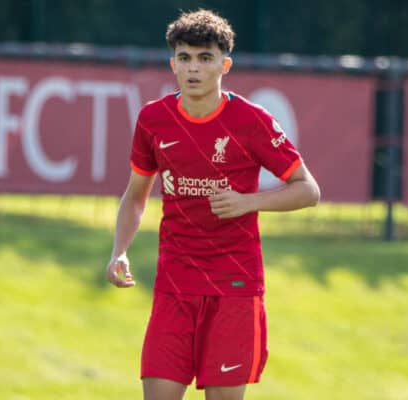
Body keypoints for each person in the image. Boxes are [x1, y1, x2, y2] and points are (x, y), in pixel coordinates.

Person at [106, 9, 320, 400]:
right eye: (185, 58)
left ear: (225, 64)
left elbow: (308, 190)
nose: (194, 68)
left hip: (234, 288)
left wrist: (247, 202)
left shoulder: (251, 121)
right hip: (174, 285)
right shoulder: (154, 120)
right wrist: (119, 251)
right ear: (173, 64)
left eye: (205, 58)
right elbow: (135, 195)